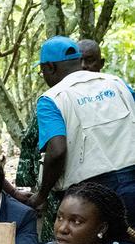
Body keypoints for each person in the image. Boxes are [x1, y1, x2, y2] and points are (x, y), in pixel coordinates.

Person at [27, 35, 135, 229]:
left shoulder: (52, 99)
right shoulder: (118, 84)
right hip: (132, 181)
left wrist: (42, 194)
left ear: (49, 67)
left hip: (89, 196)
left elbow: (58, 150)